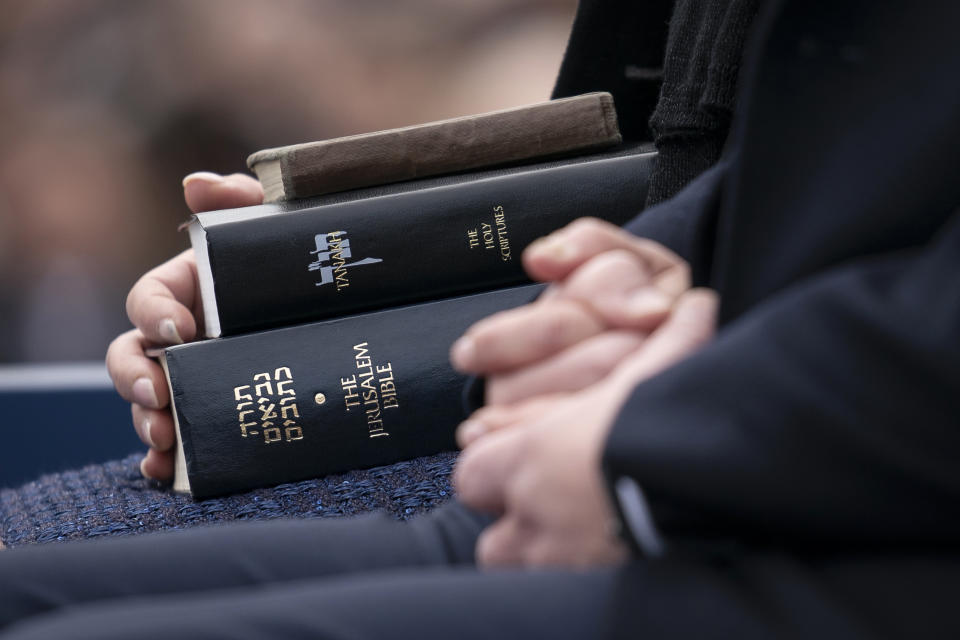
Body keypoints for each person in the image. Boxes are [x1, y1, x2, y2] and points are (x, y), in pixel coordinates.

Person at [2, 0, 960, 638]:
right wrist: (306, 264)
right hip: (651, 412)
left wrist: (650, 445)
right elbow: (684, 158)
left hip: (821, 510)